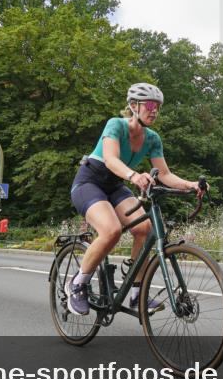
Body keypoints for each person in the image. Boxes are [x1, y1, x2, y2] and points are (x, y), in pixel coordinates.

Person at [65, 83, 206, 315]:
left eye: (158, 107)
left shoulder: (152, 139)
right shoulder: (116, 125)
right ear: (133, 106)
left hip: (115, 186)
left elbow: (165, 175)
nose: (154, 111)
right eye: (150, 105)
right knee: (111, 231)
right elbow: (110, 159)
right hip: (90, 182)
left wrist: (191, 185)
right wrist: (133, 175)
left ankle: (136, 293)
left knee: (145, 229)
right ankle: (78, 283)